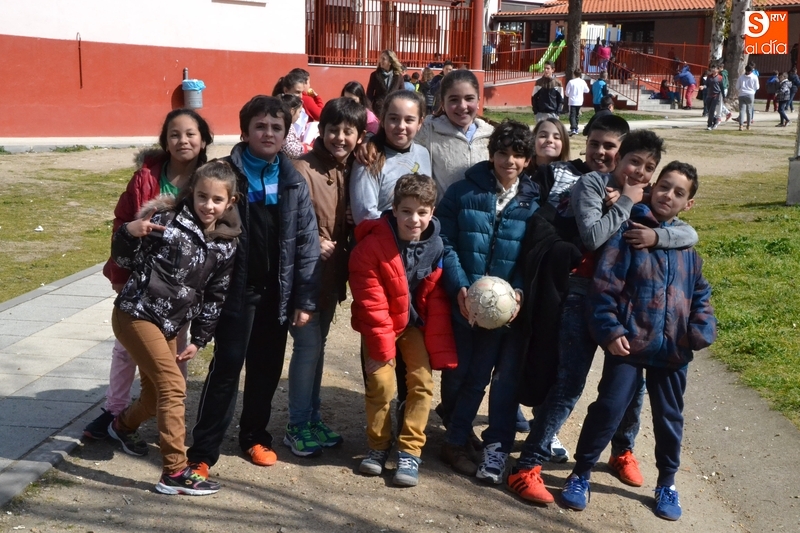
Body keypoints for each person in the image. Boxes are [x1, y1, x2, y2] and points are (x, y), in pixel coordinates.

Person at [508, 129, 699, 505]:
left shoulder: (646, 197)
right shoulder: (595, 185)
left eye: (648, 167)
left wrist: (655, 233)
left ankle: (622, 450)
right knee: (569, 384)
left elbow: (685, 232)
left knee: (631, 389)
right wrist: (624, 203)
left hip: (625, 308)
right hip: (582, 297)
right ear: (619, 158)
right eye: (634, 162)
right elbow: (594, 237)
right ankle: (527, 465)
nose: (640, 172)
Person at [560, 161, 717, 521]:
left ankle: (667, 483)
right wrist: (611, 331)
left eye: (679, 193)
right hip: (629, 346)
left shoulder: (688, 251)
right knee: (609, 407)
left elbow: (701, 295)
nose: (668, 195)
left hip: (673, 351)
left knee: (669, 418)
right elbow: (604, 289)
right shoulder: (628, 235)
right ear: (652, 188)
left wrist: (700, 330)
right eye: (664, 186)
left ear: (688, 203)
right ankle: (581, 473)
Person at [187, 95, 320, 478]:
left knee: (266, 368)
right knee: (227, 367)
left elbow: (307, 243)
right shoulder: (224, 174)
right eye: (260, 126)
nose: (268, 133)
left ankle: (254, 436)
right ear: (245, 132)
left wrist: (304, 298)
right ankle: (203, 450)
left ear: (285, 134)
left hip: (276, 292)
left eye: (276, 127)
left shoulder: (293, 181)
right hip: (234, 290)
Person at [108, 160, 241, 495]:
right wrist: (128, 232)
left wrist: (200, 338)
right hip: (135, 313)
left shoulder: (227, 242)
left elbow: (216, 294)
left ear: (231, 202)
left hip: (169, 325)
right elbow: (123, 260)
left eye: (217, 200)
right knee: (173, 386)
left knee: (154, 394)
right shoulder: (165, 220)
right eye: (201, 196)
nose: (208, 205)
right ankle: (174, 472)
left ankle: (121, 426)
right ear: (191, 193)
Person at [82, 108, 213, 441]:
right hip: (140, 279)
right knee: (125, 348)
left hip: (181, 285)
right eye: (174, 134)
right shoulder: (145, 178)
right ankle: (114, 409)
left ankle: (170, 411)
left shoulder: (209, 179)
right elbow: (122, 222)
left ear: (203, 139)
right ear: (165, 142)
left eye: (191, 134)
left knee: (175, 350)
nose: (183, 140)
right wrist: (118, 271)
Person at [437, 119, 538, 484]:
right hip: (463, 302)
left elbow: (530, 256)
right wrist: (460, 287)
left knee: (479, 376)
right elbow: (444, 241)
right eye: (502, 153)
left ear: (527, 160)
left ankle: (455, 437)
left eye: (518, 155)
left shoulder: (532, 202)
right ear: (491, 153)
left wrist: (518, 292)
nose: (509, 161)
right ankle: (457, 434)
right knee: (457, 372)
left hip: (501, 312)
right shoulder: (463, 191)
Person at [350, 174, 457, 487]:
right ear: (394, 210)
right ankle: (379, 445)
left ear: (432, 212)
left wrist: (435, 338)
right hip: (379, 324)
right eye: (407, 211)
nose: (414, 220)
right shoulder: (370, 247)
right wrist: (381, 351)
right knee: (381, 383)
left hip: (412, 324)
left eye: (422, 212)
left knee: (422, 382)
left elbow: (433, 292)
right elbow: (371, 304)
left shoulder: (436, 244)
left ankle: (410, 450)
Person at [284, 98, 367, 457]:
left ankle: (312, 417)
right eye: (334, 129)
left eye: (349, 131)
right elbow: (285, 224)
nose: (340, 137)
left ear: (359, 135)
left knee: (318, 347)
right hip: (303, 277)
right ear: (322, 130)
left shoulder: (352, 170)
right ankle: (297, 425)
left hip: (330, 277)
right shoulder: (301, 170)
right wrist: (312, 242)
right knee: (306, 348)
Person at [350, 90, 431, 224]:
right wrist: (404, 229)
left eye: (409, 120)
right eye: (394, 119)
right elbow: (365, 215)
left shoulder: (423, 154)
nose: (401, 126)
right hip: (382, 234)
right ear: (382, 120)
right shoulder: (368, 158)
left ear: (420, 123)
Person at [415, 69, 494, 200]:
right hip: (442, 211)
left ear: (478, 101)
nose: (462, 106)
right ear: (442, 103)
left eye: (469, 98)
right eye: (454, 100)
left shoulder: (491, 135)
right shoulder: (427, 130)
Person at [366, 50, 405, 117]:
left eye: (383, 59)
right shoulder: (375, 75)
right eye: (380, 58)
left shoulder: (398, 76)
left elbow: (402, 94)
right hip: (378, 110)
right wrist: (369, 109)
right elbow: (369, 94)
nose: (380, 61)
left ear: (390, 62)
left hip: (394, 109)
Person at [279, 93, 308, 159]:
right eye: (299, 112)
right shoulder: (286, 126)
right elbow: (289, 148)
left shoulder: (288, 125)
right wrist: (304, 148)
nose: (299, 116)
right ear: (292, 111)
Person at [565, 68, 590, 135]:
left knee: (572, 115)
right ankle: (576, 128)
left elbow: (567, 93)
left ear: (574, 74)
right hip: (580, 101)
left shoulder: (571, 82)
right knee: (576, 115)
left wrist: (569, 95)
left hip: (572, 101)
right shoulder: (582, 82)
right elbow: (587, 90)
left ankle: (573, 128)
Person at [737, 65, 759, 131]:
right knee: (749, 110)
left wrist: (741, 90)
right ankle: (748, 125)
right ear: (751, 71)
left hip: (742, 94)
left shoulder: (741, 77)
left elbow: (737, 87)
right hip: (750, 94)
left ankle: (741, 125)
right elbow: (757, 87)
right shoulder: (754, 77)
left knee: (742, 110)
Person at [704, 65, 723, 130]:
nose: (713, 69)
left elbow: (722, 87)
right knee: (709, 110)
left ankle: (709, 125)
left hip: (716, 95)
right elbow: (706, 85)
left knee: (712, 110)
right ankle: (715, 120)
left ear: (718, 70)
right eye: (712, 68)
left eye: (715, 68)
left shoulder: (720, 77)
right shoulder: (709, 77)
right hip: (709, 95)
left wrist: (723, 96)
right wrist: (703, 87)